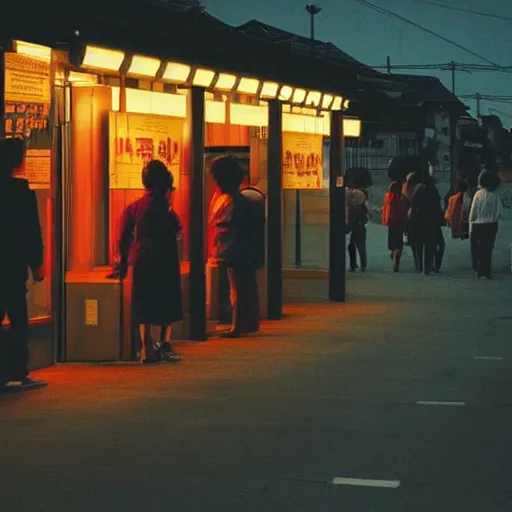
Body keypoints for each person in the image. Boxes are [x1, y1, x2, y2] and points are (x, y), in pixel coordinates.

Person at [118, 160, 182, 363]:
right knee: (167, 300)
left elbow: (123, 236)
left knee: (143, 302)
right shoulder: (166, 208)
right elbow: (177, 229)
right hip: (165, 257)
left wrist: (123, 261)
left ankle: (146, 347)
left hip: (141, 258)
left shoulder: (135, 207)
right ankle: (164, 343)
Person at [0, 138, 46, 390]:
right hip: (13, 266)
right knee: (18, 319)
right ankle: (17, 372)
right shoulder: (22, 191)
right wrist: (36, 264)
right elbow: (31, 231)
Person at [209, 156, 265, 338]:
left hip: (234, 249)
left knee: (237, 287)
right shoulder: (245, 201)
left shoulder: (227, 201)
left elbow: (220, 225)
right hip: (245, 249)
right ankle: (246, 322)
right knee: (244, 286)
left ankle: (237, 325)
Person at [469, 171, 503, 279]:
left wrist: (471, 223)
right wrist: (493, 218)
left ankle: (479, 270)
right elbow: (500, 212)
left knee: (477, 248)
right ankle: (487, 272)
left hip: (478, 224)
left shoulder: (478, 194)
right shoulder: (495, 195)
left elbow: (473, 211)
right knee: (488, 249)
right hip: (491, 225)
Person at [408, 174, 444, 275]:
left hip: (419, 222)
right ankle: (430, 266)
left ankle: (420, 266)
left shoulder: (419, 191)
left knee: (419, 245)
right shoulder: (433, 192)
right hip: (431, 223)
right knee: (431, 245)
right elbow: (438, 208)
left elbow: (414, 207)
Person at [382, 181, 408, 272]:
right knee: (399, 244)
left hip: (390, 223)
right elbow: (402, 211)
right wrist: (405, 220)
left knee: (393, 242)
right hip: (399, 222)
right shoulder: (400, 198)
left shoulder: (387, 197)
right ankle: (396, 264)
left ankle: (393, 254)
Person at [346, 186, 369, 272]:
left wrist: (348, 227)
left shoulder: (354, 209)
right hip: (360, 230)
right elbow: (365, 219)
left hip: (357, 230)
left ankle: (354, 265)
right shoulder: (361, 208)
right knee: (360, 247)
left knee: (354, 246)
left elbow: (352, 220)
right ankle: (362, 264)